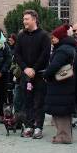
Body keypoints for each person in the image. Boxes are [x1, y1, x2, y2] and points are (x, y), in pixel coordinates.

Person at [15, 10, 51, 139]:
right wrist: (25, 68)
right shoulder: (21, 36)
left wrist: (34, 69)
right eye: (24, 19)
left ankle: (38, 127)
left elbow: (45, 55)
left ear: (34, 19)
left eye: (27, 19)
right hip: (26, 74)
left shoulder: (44, 36)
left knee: (38, 102)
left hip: (39, 74)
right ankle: (29, 126)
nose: (24, 21)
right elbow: (17, 54)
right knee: (27, 101)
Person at [44, 25, 77, 144]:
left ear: (60, 37)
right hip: (65, 83)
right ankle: (64, 135)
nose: (52, 39)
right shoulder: (69, 47)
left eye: (54, 37)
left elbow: (54, 66)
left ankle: (63, 136)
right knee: (64, 111)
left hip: (61, 85)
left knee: (60, 111)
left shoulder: (62, 50)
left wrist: (46, 74)